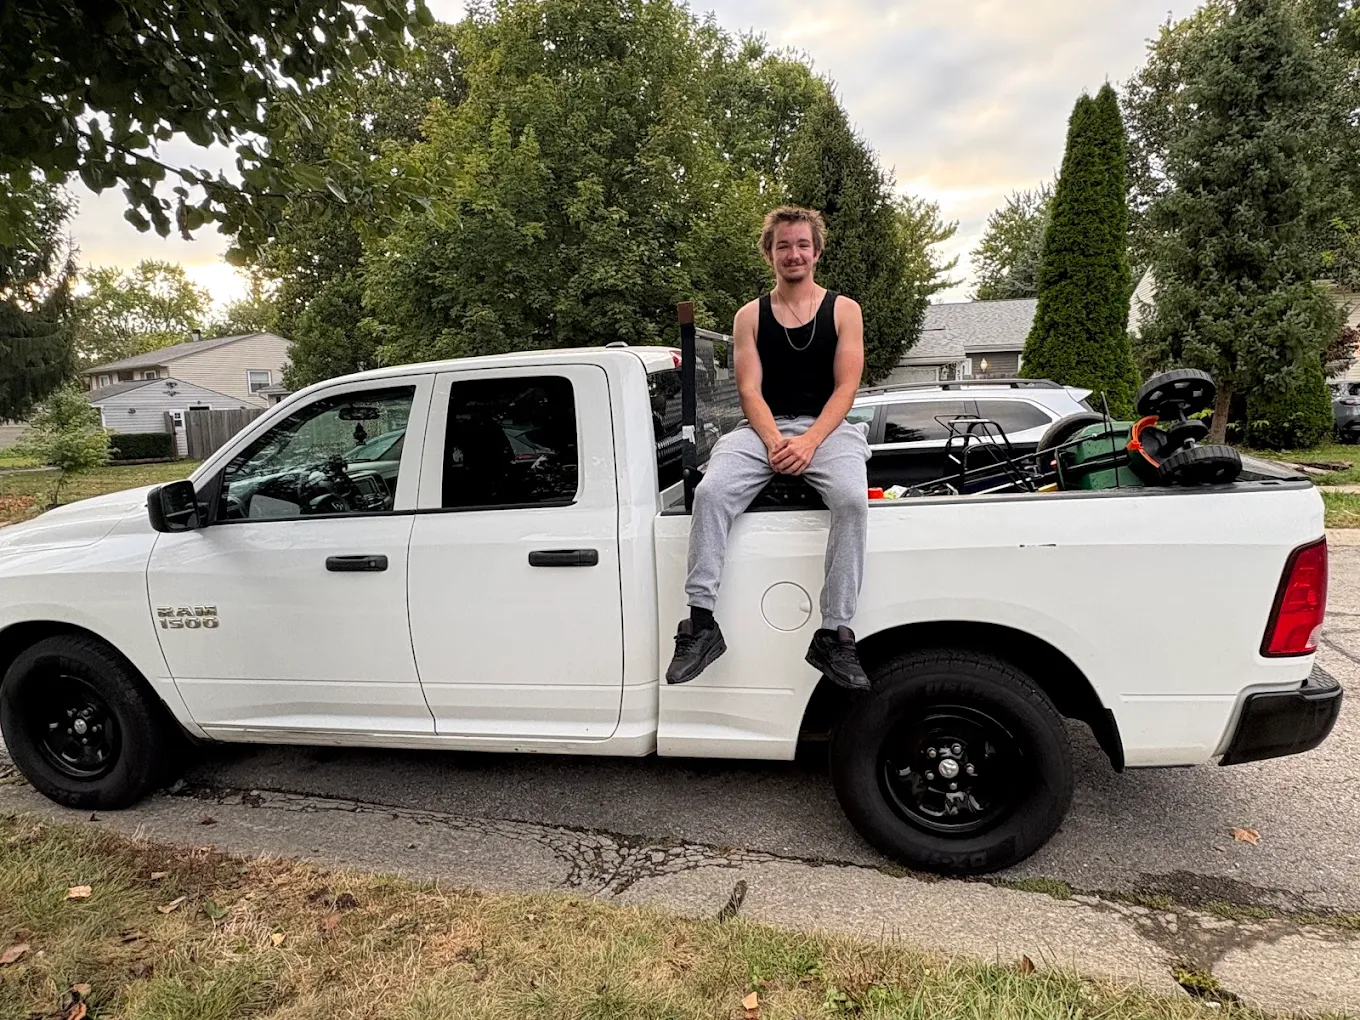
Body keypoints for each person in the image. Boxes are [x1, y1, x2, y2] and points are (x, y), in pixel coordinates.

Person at [666, 206, 872, 691]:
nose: (793, 253)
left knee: (851, 500)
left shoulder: (844, 310)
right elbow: (749, 390)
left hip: (828, 428)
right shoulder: (749, 317)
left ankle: (835, 633)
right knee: (710, 492)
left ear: (816, 252)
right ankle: (701, 624)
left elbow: (846, 388)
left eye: (802, 244)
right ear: (770, 253)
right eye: (783, 245)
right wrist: (777, 442)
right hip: (763, 429)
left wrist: (810, 441)